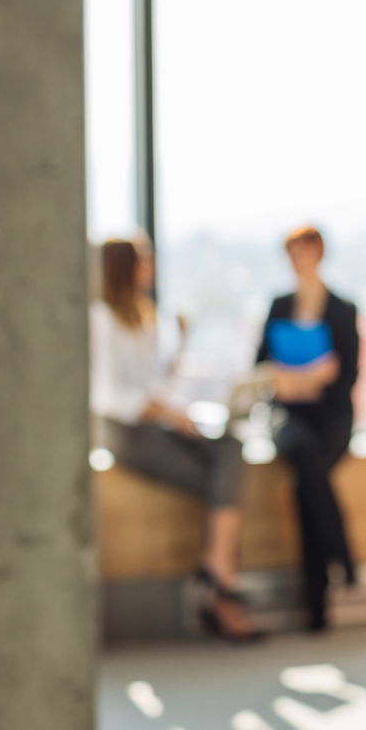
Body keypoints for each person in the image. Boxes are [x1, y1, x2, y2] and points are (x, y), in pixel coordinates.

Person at [90, 236, 261, 643]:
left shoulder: (144, 316)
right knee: (223, 486)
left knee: (230, 448)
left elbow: (156, 385)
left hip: (156, 423)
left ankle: (216, 571)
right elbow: (110, 396)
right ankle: (222, 586)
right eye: (144, 260)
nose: (150, 268)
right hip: (125, 432)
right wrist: (170, 415)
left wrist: (181, 346)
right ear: (125, 267)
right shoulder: (101, 318)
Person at [257, 225, 358, 632]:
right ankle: (341, 555)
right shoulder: (279, 305)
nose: (297, 260)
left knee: (308, 480)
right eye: (291, 253)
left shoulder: (343, 308)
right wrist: (308, 377)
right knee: (305, 460)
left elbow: (346, 374)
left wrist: (304, 379)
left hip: (331, 417)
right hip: (289, 416)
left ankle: (315, 601)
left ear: (319, 253)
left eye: (303, 251)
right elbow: (261, 366)